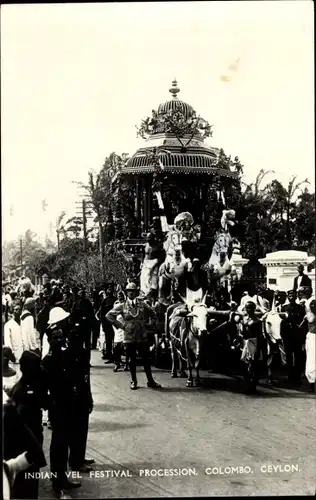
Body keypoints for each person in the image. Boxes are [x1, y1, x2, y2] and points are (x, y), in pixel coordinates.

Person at [42, 308, 82, 494]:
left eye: (61, 338)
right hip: (58, 408)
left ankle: (61, 476)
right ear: (50, 341)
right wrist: (51, 404)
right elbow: (45, 389)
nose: (60, 341)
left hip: (68, 406)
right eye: (55, 339)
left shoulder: (64, 357)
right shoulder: (49, 361)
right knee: (58, 444)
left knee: (64, 442)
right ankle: (58, 480)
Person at [8, 350, 49, 499]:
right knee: (26, 485)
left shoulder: (31, 386)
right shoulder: (22, 392)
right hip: (25, 448)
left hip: (31, 441)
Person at [106, 282, 162, 390]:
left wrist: (149, 325)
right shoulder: (122, 306)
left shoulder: (143, 305)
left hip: (141, 336)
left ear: (136, 293)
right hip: (129, 336)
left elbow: (153, 314)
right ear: (126, 293)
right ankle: (134, 381)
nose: (130, 293)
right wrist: (121, 326)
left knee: (146, 359)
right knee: (131, 359)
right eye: (129, 291)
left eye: (133, 291)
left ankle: (150, 381)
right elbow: (109, 315)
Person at [66, 323, 94, 472]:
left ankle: (80, 457)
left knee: (83, 430)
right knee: (78, 431)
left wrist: (89, 397)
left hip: (83, 398)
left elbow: (86, 381)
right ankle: (76, 462)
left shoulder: (81, 357)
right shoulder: (73, 359)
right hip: (77, 400)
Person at [280, 290, 306, 384]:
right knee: (288, 357)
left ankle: (297, 377)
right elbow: (281, 322)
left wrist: (302, 335)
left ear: (296, 296)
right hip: (287, 336)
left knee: (298, 356)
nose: (292, 296)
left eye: (293, 295)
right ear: (288, 296)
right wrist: (282, 336)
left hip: (297, 335)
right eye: (290, 295)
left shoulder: (300, 308)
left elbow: (303, 322)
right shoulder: (284, 307)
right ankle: (290, 376)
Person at [299, 297, 316, 393]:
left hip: (313, 337)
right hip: (311, 337)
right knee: (311, 360)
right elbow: (301, 327)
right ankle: (311, 382)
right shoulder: (308, 316)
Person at [71, 288, 95, 353]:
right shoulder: (76, 303)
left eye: (82, 294)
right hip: (79, 324)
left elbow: (91, 313)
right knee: (79, 342)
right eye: (80, 294)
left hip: (87, 324)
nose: (81, 295)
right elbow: (73, 314)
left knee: (87, 342)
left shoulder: (87, 303)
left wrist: (90, 320)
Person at [98, 286, 116, 362]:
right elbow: (101, 313)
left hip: (115, 322)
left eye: (111, 290)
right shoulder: (105, 300)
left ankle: (115, 355)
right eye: (109, 290)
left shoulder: (115, 300)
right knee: (108, 339)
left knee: (115, 339)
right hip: (107, 322)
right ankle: (108, 354)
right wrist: (103, 322)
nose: (110, 291)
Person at [112, 291, 128, 372]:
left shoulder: (127, 304)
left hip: (125, 326)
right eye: (119, 296)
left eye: (122, 296)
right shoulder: (115, 303)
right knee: (116, 347)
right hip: (117, 326)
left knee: (125, 347)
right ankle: (117, 363)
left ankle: (126, 364)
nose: (120, 297)